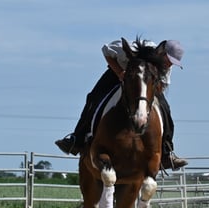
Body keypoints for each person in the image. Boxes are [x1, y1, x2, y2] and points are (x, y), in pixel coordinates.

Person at [55, 37, 188, 170]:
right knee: (93, 97)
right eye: (169, 61)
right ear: (162, 52)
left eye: (173, 63)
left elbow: (162, 85)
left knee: (165, 107)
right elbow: (106, 51)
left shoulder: (164, 66)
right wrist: (119, 72)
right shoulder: (132, 48)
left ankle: (166, 153)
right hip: (117, 73)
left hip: (145, 81)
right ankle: (76, 139)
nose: (169, 65)